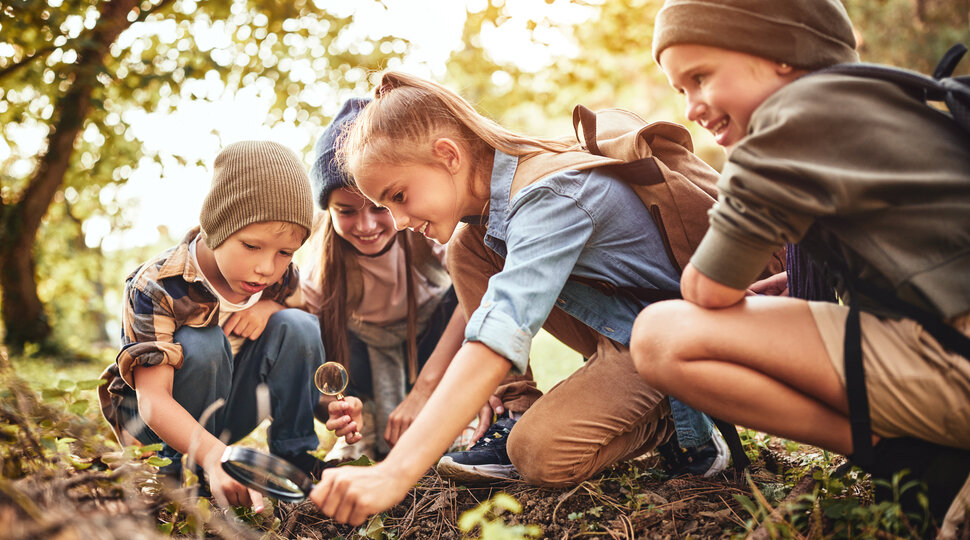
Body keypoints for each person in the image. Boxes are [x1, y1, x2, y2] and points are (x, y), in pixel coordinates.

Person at [306, 71, 733, 525]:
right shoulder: (483, 224)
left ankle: (685, 417)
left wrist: (394, 472)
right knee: (468, 249)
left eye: (398, 196)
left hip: (680, 343)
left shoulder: (550, 195)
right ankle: (518, 408)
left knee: (539, 453)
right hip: (626, 330)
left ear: (447, 155)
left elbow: (500, 330)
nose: (399, 220)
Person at [631, 0, 970, 536]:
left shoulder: (791, 121)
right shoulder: (876, 99)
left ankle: (898, 455)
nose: (692, 107)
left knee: (659, 335)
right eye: (681, 91)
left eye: (701, 78)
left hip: (957, 367)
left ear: (782, 56)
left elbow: (706, 291)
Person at [98, 140, 326, 511]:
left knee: (299, 325)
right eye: (251, 245)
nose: (267, 267)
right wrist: (216, 456)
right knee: (203, 341)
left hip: (222, 416)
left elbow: (307, 311)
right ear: (216, 227)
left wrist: (269, 307)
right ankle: (169, 479)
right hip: (156, 427)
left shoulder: (275, 280)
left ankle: (296, 458)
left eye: (285, 252)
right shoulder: (158, 285)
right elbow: (153, 401)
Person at [304, 97, 511, 460]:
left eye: (380, 207)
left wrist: (424, 391)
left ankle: (462, 416)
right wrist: (334, 406)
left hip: (430, 354)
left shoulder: (426, 236)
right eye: (346, 212)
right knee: (310, 328)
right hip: (366, 363)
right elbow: (308, 357)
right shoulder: (320, 273)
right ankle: (364, 425)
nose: (366, 226)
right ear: (329, 211)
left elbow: (478, 301)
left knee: (462, 295)